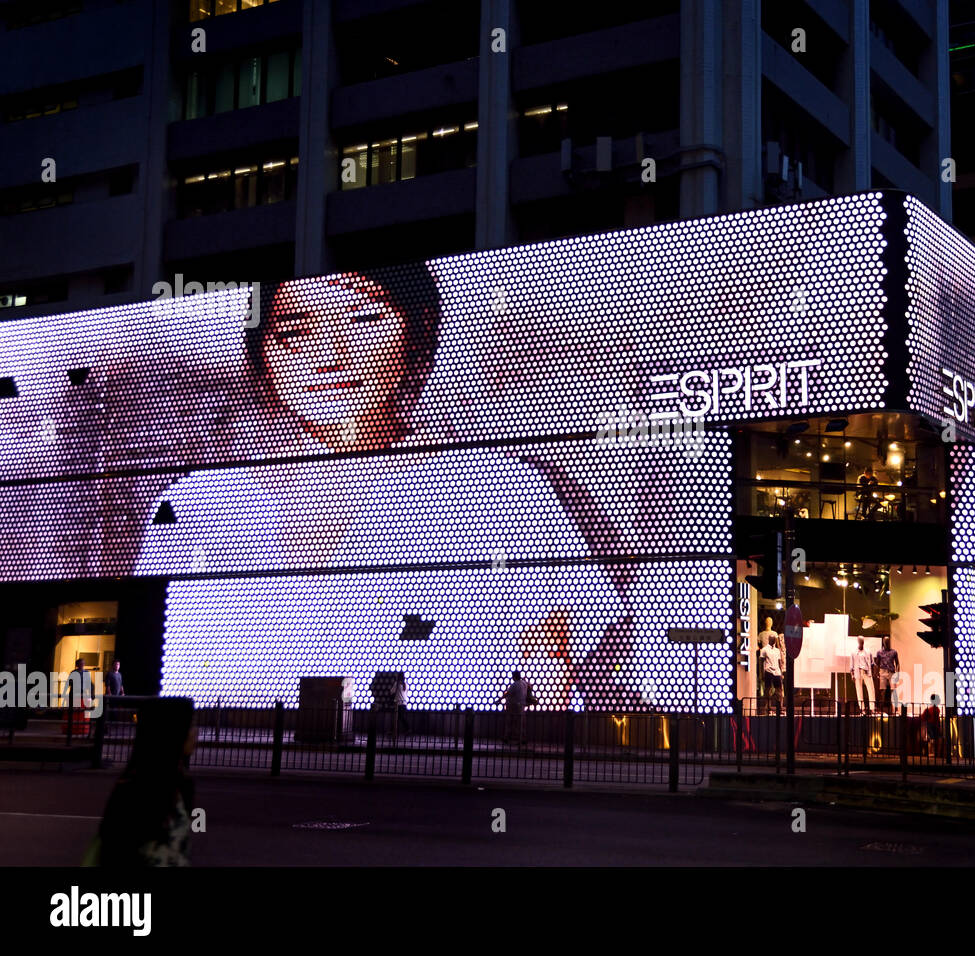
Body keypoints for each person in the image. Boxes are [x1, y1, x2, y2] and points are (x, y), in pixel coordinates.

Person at [135, 266, 628, 712]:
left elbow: (559, 672)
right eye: (293, 333)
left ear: (417, 333)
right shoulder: (200, 503)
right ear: (262, 356)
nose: (327, 356)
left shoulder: (501, 490)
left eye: (360, 319)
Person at [89, 696, 197, 867]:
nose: (195, 733)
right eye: (190, 725)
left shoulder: (183, 784)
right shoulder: (133, 791)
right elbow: (113, 853)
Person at [498, 671, 534, 749]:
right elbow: (530, 687)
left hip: (513, 707)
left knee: (510, 722)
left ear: (514, 676)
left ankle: (507, 738)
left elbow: (507, 694)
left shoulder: (514, 685)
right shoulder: (524, 683)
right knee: (521, 723)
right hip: (522, 706)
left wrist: (499, 699)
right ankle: (522, 739)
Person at [873, 637, 899, 715]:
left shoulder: (894, 652)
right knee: (882, 691)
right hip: (883, 671)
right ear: (883, 643)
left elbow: (897, 663)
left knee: (893, 690)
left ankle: (895, 709)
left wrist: (897, 672)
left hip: (891, 671)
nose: (887, 643)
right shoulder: (879, 652)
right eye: (885, 642)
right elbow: (877, 663)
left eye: (888, 642)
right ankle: (881, 709)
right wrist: (876, 673)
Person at [849, 637, 873, 715]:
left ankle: (872, 708)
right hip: (857, 671)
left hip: (866, 671)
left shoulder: (868, 651)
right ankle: (862, 709)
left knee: (871, 690)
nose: (861, 642)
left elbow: (872, 663)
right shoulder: (853, 652)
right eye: (860, 641)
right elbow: (851, 665)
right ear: (858, 642)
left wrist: (872, 672)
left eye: (862, 641)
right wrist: (852, 675)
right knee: (859, 690)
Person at [760, 636, 784, 714]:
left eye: (774, 639)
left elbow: (779, 661)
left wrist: (781, 672)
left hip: (777, 672)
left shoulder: (777, 650)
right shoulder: (764, 649)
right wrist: (762, 673)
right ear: (769, 639)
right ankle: (767, 708)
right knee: (768, 690)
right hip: (768, 671)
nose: (774, 640)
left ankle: (779, 708)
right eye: (772, 639)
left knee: (779, 691)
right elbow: (761, 662)